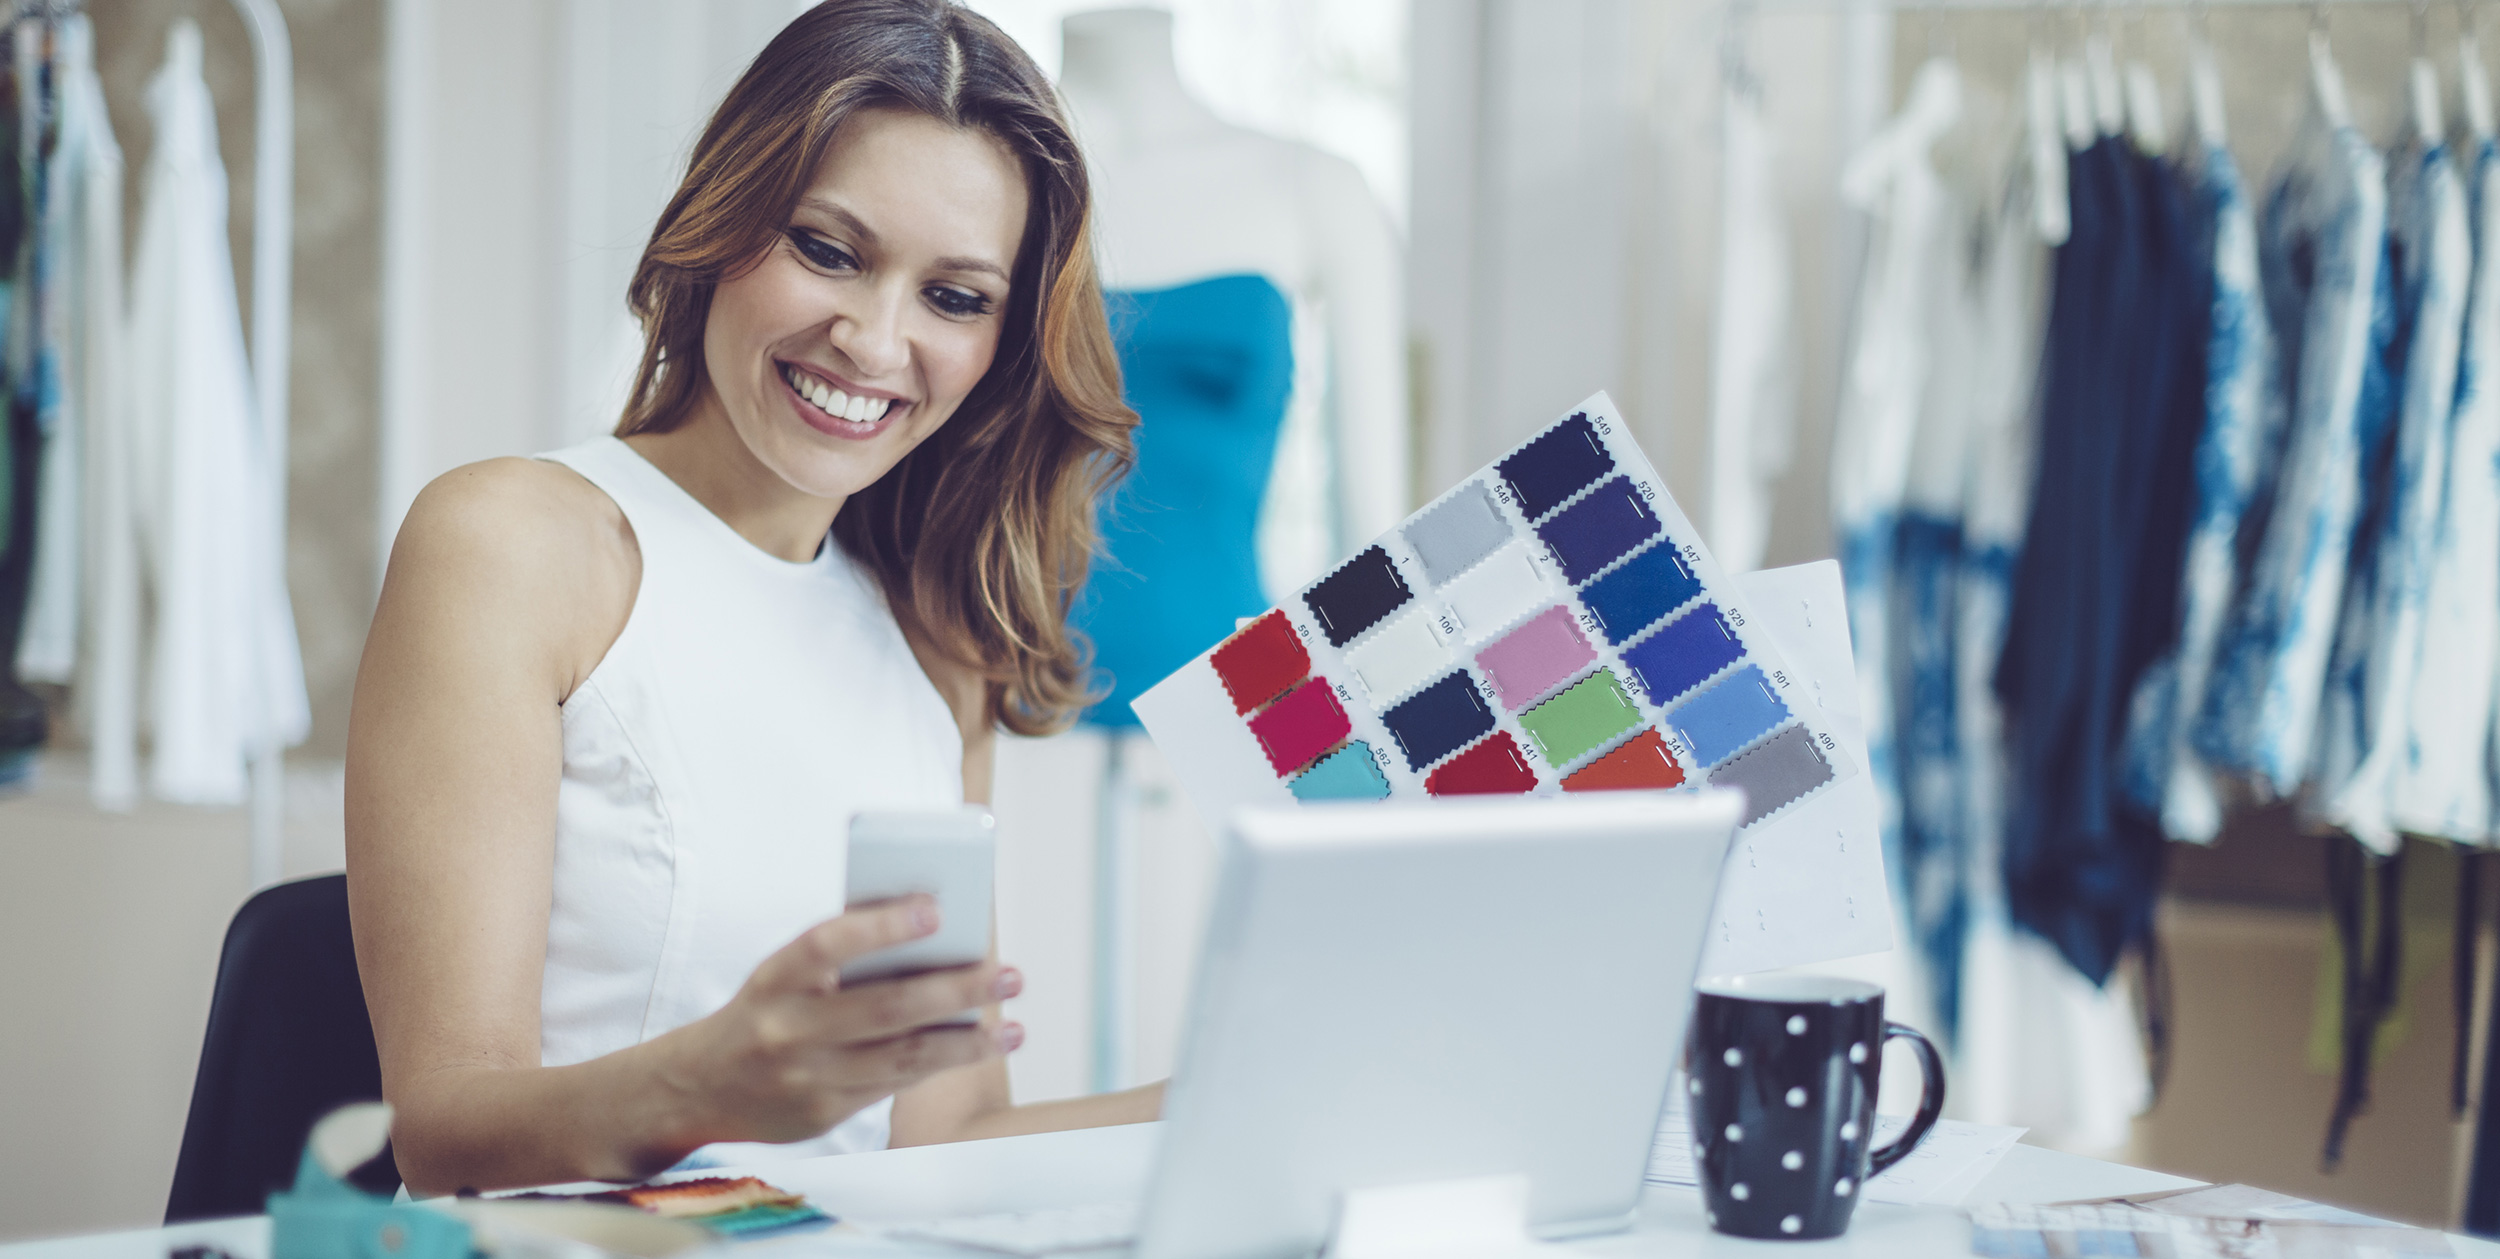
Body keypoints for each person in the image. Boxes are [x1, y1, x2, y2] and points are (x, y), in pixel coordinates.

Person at [345, 0, 1152, 1197]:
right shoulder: (514, 543)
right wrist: (709, 1083)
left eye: (954, 297)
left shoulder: (940, 643)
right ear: (722, 225)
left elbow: (935, 1140)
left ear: (1001, 346)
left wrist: (1270, 1094)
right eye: (828, 250)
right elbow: (443, 1125)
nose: (875, 343)